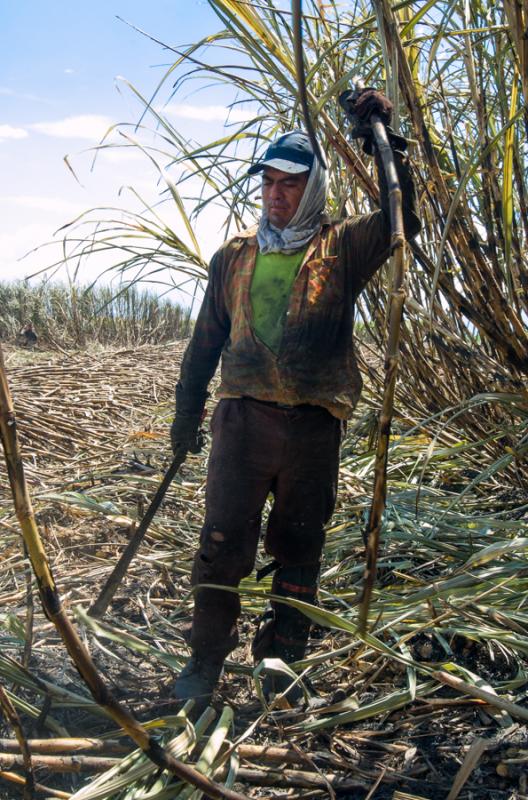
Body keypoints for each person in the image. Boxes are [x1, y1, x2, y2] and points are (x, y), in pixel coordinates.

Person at [170, 88, 421, 707]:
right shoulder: (233, 257)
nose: (276, 195)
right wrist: (186, 413)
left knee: (300, 546)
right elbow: (205, 344)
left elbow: (401, 220)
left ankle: (280, 662)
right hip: (242, 424)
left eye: (290, 185)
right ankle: (203, 663)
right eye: (269, 183)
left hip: (312, 429)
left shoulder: (341, 249)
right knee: (223, 544)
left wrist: (387, 144)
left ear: (312, 191)